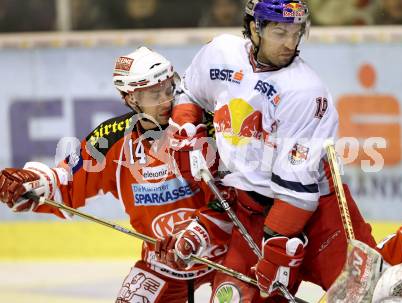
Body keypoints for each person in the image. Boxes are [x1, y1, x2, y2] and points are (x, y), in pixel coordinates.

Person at [160, 0, 377, 301]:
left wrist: (275, 250)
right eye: (280, 32)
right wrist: (186, 126)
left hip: (321, 218)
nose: (290, 43)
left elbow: (297, 192)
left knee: (368, 296)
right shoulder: (220, 53)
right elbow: (191, 92)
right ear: (254, 28)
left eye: (296, 32)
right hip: (250, 213)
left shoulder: (305, 91)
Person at [0, 47, 231, 303]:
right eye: (154, 94)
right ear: (131, 98)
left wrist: (196, 235)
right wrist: (32, 183)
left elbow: (234, 197)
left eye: (169, 88)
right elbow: (67, 181)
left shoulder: (203, 127)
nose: (166, 100)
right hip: (164, 261)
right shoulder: (112, 137)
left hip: (225, 254)